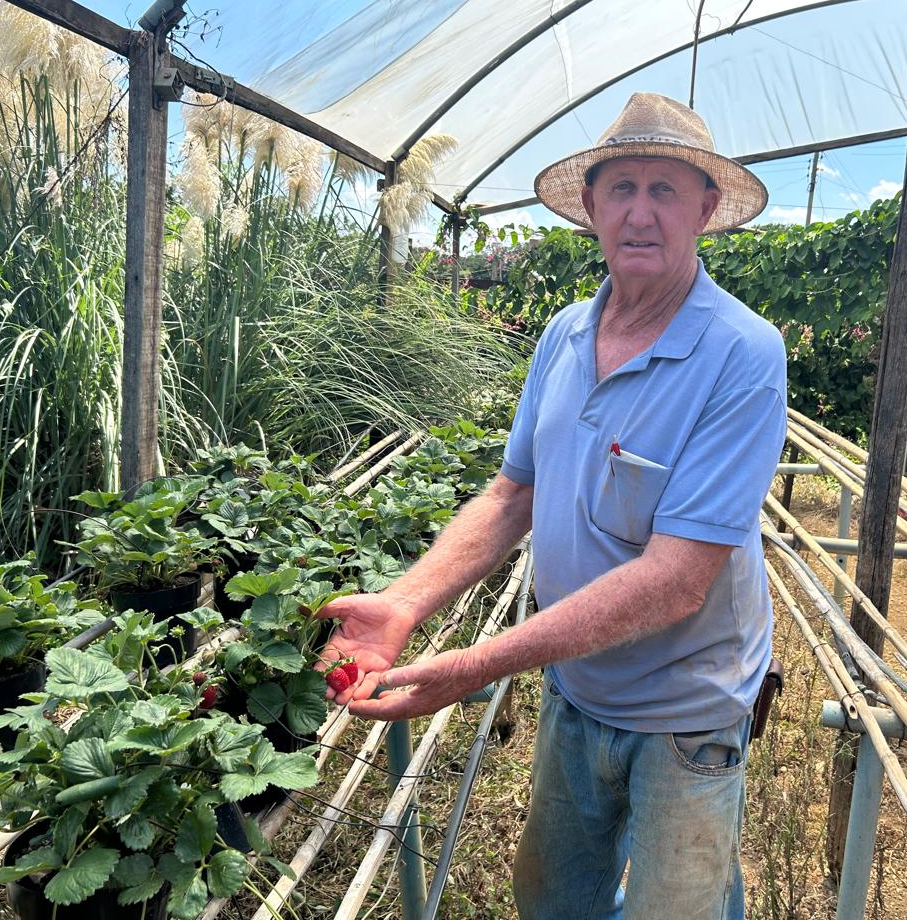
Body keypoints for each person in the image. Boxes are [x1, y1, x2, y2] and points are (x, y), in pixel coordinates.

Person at [323, 92, 787, 919]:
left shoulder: (742, 353)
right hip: (577, 687)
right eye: (622, 190)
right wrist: (403, 603)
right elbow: (513, 493)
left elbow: (679, 581)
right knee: (551, 901)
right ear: (591, 207)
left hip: (687, 709)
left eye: (665, 191)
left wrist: (470, 666)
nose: (640, 214)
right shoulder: (566, 333)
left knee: (676, 908)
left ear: (706, 210)